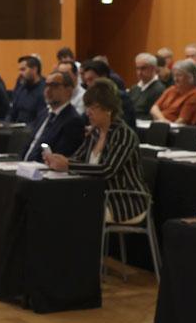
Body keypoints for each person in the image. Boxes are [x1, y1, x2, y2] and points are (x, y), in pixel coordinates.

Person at [47, 81, 148, 222]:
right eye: (87, 107)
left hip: (123, 200)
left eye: (94, 108)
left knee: (69, 211)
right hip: (96, 195)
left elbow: (107, 169)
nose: (88, 112)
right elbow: (77, 158)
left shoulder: (123, 134)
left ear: (108, 109)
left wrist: (68, 165)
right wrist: (58, 160)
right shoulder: (95, 133)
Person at [23, 70, 85, 163]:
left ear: (69, 90)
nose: (48, 90)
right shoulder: (44, 114)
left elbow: (59, 155)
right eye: (46, 85)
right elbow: (31, 144)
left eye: (54, 86)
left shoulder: (73, 121)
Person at [152, 60, 196, 124]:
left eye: (179, 75)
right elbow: (154, 108)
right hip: (162, 126)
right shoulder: (171, 89)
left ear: (190, 77)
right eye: (174, 75)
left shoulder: (195, 95)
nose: (175, 79)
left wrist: (164, 125)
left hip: (176, 131)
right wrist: (163, 120)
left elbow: (181, 122)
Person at [8, 54, 48, 126]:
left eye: (23, 69)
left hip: (30, 132)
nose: (20, 73)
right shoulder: (21, 88)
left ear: (34, 69)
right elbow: (12, 113)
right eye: (19, 70)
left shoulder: (44, 91)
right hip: (16, 129)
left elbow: (41, 121)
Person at [126, 52, 167, 120]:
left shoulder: (160, 89)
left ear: (153, 68)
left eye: (143, 68)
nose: (139, 72)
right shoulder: (134, 88)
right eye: (137, 68)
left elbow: (154, 115)